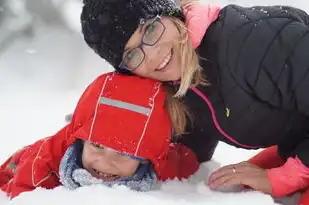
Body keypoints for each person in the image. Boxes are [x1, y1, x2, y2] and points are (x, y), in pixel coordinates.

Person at [80, 0, 309, 203]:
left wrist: (285, 177)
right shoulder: (179, 85)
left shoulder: (248, 41)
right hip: (297, 142)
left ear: (171, 14)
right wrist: (112, 162)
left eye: (150, 30)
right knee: (237, 189)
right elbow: (186, 154)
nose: (152, 54)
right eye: (131, 55)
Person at [0, 72, 199, 199]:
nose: (104, 162)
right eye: (97, 146)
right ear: (82, 141)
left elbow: (185, 161)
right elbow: (20, 196)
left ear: (148, 160)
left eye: (124, 153)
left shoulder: (161, 165)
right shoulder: (41, 167)